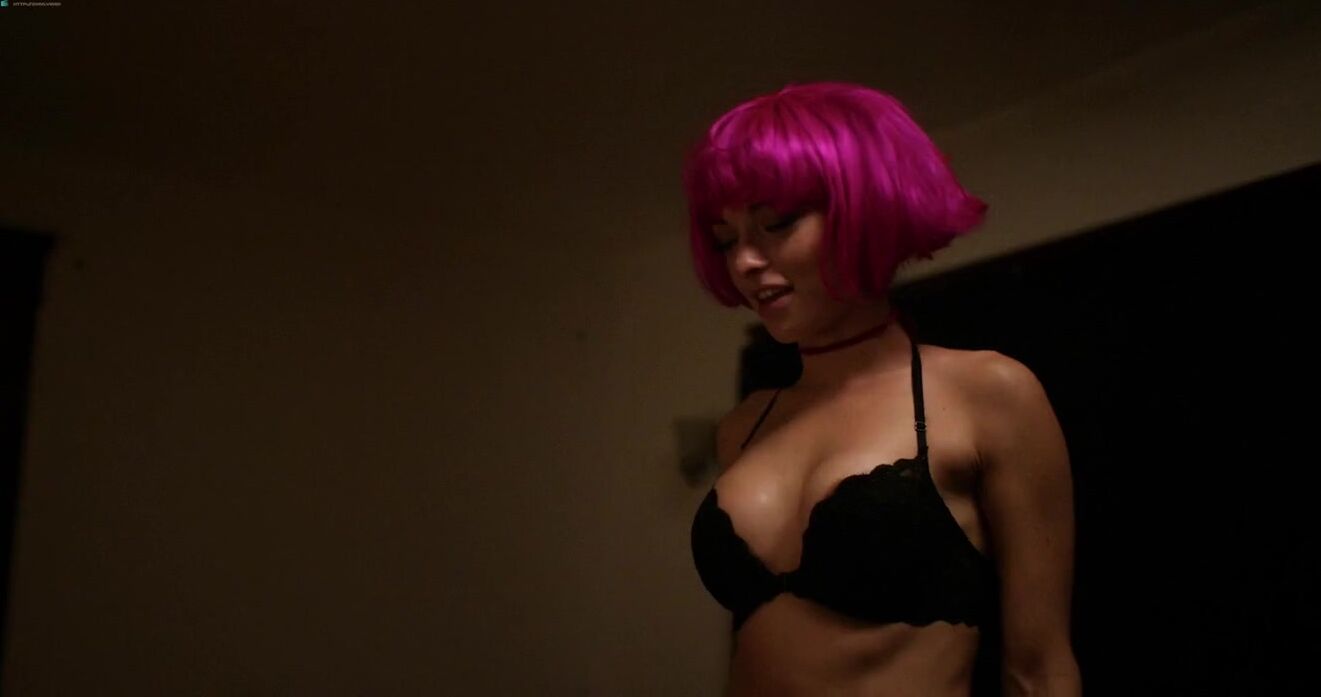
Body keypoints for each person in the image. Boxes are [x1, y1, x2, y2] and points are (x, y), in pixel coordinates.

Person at [684, 82, 1080, 696]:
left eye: (776, 224)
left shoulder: (988, 394)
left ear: (862, 213)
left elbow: (1039, 671)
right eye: (726, 238)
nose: (744, 262)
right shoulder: (744, 426)